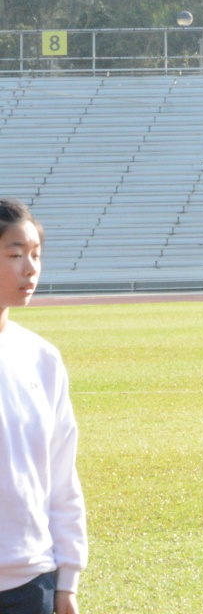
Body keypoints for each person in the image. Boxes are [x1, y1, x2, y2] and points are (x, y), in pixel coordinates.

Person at [0, 200, 85, 614]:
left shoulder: (42, 358)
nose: (30, 268)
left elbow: (61, 476)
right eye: (15, 255)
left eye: (35, 254)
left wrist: (67, 580)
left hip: (32, 583)